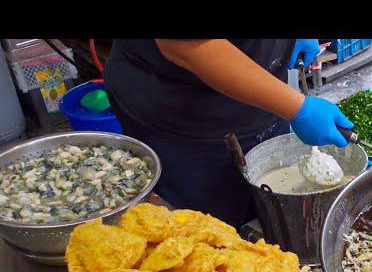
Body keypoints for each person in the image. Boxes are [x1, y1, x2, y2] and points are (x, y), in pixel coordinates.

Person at [104, 39, 353, 228]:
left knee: (264, 208)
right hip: (180, 108)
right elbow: (188, 46)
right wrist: (297, 108)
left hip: (260, 86)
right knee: (211, 230)